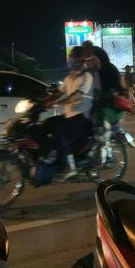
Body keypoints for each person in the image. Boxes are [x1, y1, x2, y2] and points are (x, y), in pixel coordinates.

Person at [43, 46, 94, 181]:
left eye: (72, 57)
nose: (69, 59)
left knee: (60, 133)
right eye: (69, 57)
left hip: (81, 116)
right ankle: (52, 156)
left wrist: (56, 103)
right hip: (69, 115)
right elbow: (60, 93)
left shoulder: (86, 77)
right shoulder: (69, 78)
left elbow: (76, 97)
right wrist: (43, 101)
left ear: (79, 59)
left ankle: (71, 168)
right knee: (47, 124)